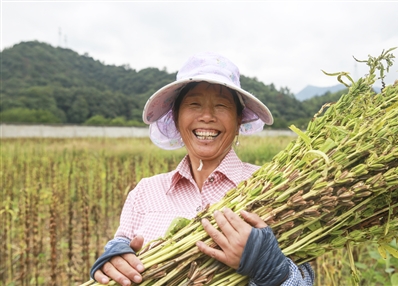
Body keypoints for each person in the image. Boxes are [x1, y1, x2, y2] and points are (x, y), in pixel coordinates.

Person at [90, 52, 314, 286]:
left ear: (239, 120)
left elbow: (304, 280)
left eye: (221, 105)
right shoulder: (145, 192)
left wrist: (271, 270)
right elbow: (118, 262)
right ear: (176, 117)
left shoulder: (274, 187)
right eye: (194, 104)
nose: (207, 116)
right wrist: (112, 262)